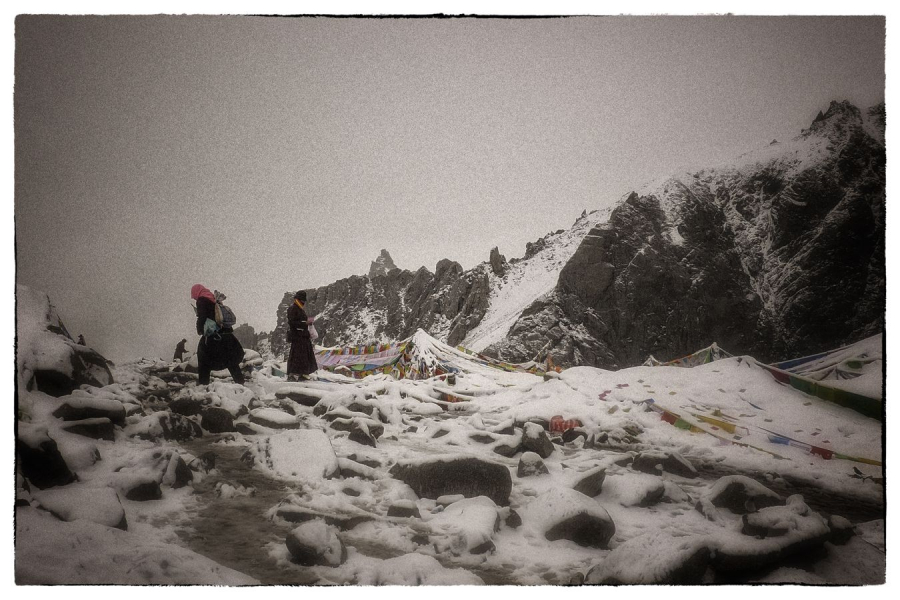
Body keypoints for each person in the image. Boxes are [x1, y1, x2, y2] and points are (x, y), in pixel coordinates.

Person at [190, 284, 245, 385]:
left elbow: (202, 317)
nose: (193, 297)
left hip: (214, 335)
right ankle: (240, 382)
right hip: (226, 334)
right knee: (231, 360)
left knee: (203, 360)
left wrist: (199, 329)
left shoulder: (201, 300)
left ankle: (203, 385)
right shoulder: (212, 298)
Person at [286, 290, 317, 381]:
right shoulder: (292, 309)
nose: (303, 303)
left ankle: (303, 373)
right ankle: (293, 374)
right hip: (297, 337)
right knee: (297, 356)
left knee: (304, 356)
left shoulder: (300, 309)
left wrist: (308, 323)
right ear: (297, 299)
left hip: (303, 336)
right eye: (302, 300)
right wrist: (305, 323)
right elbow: (292, 322)